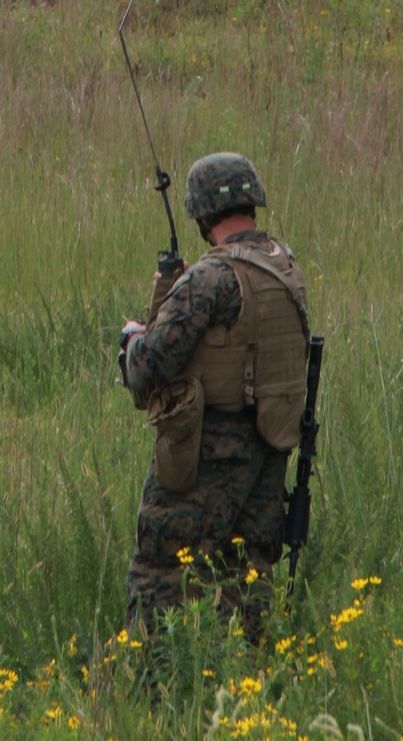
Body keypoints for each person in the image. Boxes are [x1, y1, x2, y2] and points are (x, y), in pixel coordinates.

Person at [120, 153, 310, 643]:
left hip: (205, 458)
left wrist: (132, 339)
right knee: (247, 580)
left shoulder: (209, 279)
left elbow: (147, 370)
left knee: (161, 577)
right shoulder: (285, 267)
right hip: (268, 456)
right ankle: (248, 681)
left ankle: (157, 684)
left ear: (202, 214)